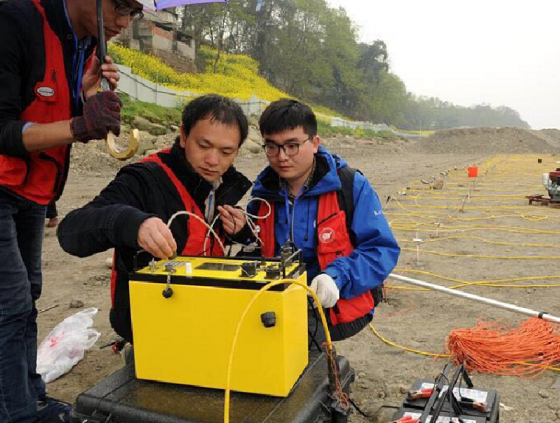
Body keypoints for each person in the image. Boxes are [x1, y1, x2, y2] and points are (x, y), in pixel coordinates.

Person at [0, 0, 141, 421]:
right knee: (10, 305)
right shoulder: (15, 22)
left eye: (134, 12)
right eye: (119, 6)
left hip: (31, 190)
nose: (123, 22)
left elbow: (54, 111)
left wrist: (88, 95)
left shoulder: (87, 46)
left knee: (28, 297)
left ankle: (28, 395)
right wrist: (80, 126)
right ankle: (18, 413)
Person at [58, 94, 252, 345]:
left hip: (203, 309)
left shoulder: (221, 185)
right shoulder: (143, 179)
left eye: (226, 151)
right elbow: (70, 232)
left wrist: (240, 231)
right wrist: (131, 223)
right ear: (183, 136)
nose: (213, 160)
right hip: (149, 319)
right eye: (203, 146)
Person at [227, 99, 400, 348]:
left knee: (295, 345)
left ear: (315, 143)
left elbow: (382, 250)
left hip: (336, 301)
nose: (281, 157)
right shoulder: (263, 190)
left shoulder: (350, 186)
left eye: (292, 146)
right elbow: (259, 244)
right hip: (279, 298)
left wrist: (335, 277)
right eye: (272, 147)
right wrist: (243, 231)